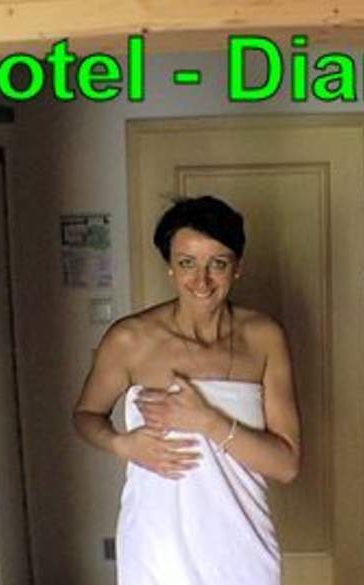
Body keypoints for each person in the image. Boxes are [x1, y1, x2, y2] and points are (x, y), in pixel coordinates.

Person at [72, 195, 302, 585]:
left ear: (237, 267)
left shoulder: (264, 338)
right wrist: (120, 444)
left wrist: (208, 421)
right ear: (170, 266)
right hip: (157, 546)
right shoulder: (130, 339)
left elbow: (286, 465)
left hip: (241, 547)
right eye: (187, 263)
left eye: (218, 263)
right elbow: (85, 415)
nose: (202, 280)